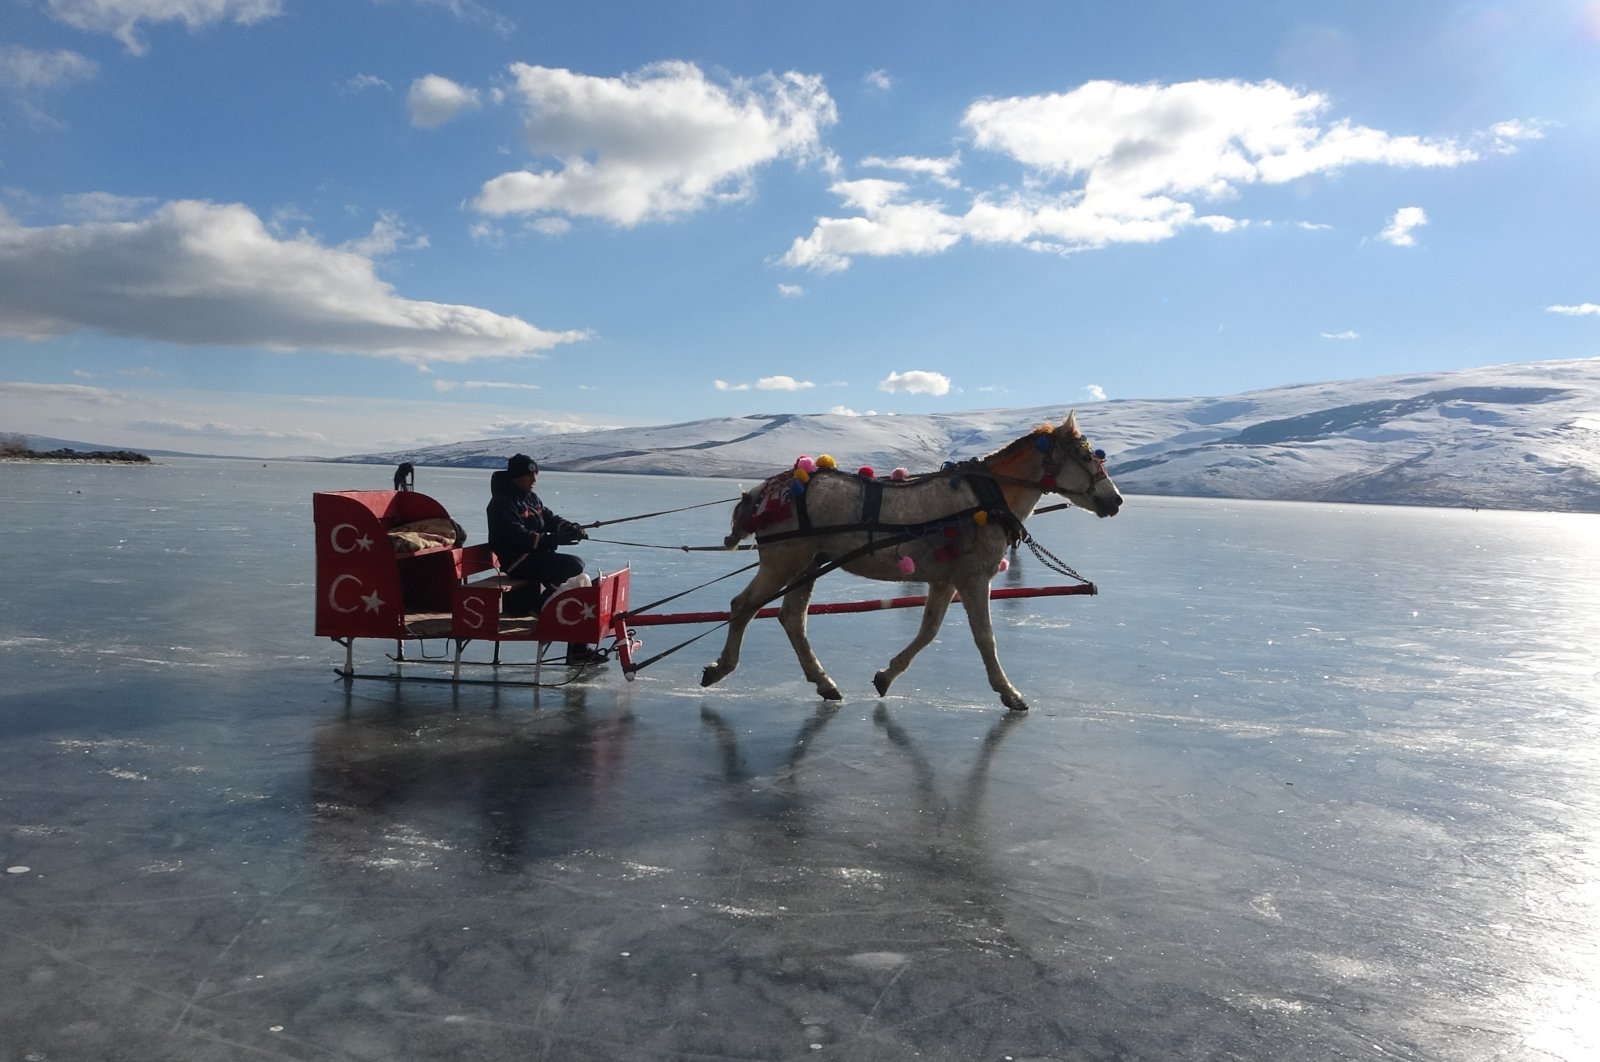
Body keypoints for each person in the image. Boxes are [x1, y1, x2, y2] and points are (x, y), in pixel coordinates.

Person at [486, 454, 599, 663]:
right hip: (517, 560)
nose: (534, 481)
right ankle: (541, 608)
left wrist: (570, 528)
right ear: (516, 477)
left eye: (535, 476)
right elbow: (517, 536)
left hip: (536, 556)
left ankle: (578, 648)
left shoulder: (530, 498)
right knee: (573, 566)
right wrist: (555, 540)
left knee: (574, 581)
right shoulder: (501, 503)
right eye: (529, 476)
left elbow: (548, 518)